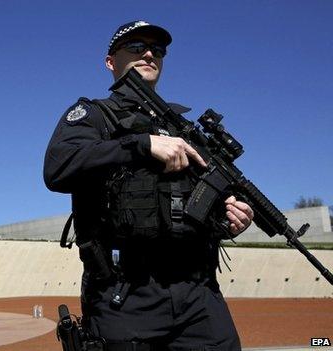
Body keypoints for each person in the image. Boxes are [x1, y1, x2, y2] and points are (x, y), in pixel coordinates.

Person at [44, 20, 254, 350]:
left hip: (199, 294)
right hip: (125, 296)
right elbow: (58, 167)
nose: (148, 54)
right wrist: (141, 145)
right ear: (110, 61)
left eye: (157, 50)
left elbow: (200, 203)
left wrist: (230, 216)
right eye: (136, 47)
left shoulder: (184, 129)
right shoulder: (95, 115)